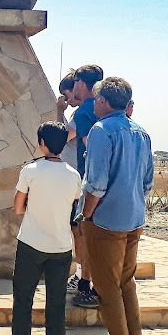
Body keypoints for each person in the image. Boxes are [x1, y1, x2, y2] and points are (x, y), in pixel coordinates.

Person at [75, 77, 153, 335]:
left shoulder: (101, 130)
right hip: (134, 219)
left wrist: (86, 216)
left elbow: (96, 183)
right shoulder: (140, 132)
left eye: (96, 99)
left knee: (107, 289)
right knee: (126, 284)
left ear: (104, 102)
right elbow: (146, 182)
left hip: (105, 222)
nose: (93, 104)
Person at [0, 121, 82, 335]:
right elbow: (72, 208)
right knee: (56, 305)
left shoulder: (31, 170)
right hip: (61, 246)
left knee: (23, 302)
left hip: (31, 243)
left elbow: (18, 207)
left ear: (42, 143)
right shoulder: (74, 174)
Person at [71, 64, 104, 308]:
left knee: (83, 231)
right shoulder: (109, 109)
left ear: (82, 83)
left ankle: (85, 283)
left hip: (90, 181)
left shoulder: (83, 112)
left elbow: (89, 147)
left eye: (75, 83)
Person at [56, 71, 83, 295]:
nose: (69, 98)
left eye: (68, 93)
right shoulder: (79, 114)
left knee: (78, 231)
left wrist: (59, 112)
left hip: (77, 181)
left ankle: (82, 276)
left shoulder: (81, 114)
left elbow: (61, 137)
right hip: (77, 179)